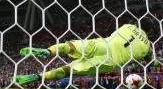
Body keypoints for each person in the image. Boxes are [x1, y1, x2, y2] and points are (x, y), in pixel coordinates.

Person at [15, 24, 151, 85]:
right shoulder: (147, 47)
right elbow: (152, 61)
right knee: (69, 70)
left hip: (104, 44)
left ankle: (48, 51)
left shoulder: (128, 26)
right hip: (110, 61)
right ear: (149, 32)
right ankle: (38, 76)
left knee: (71, 46)